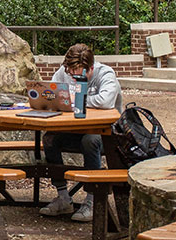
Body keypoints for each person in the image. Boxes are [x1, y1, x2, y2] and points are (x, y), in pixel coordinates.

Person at [39, 43, 122, 222]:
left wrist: (74, 99)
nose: (75, 77)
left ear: (91, 68)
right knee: (50, 139)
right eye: (71, 73)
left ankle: (92, 200)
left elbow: (106, 101)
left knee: (90, 140)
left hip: (105, 135)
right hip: (72, 130)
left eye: (81, 73)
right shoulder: (63, 72)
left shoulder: (105, 74)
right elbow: (52, 94)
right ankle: (63, 197)